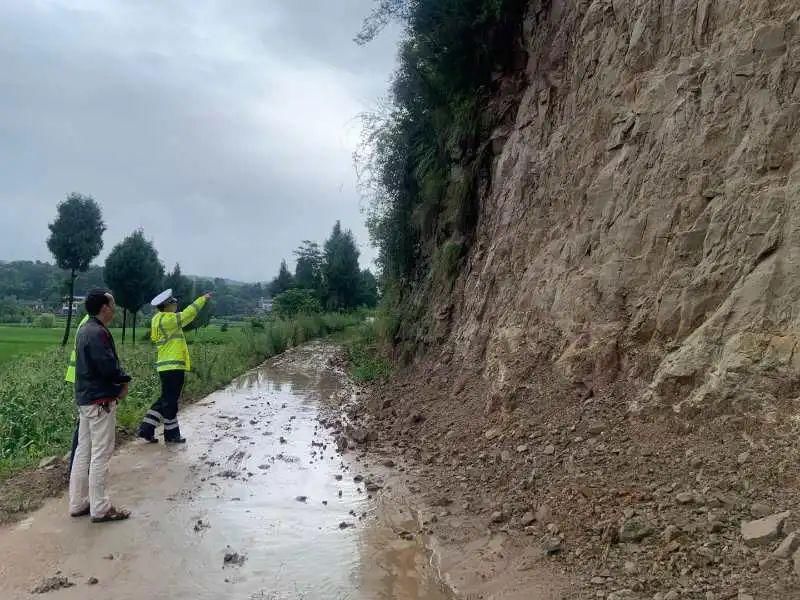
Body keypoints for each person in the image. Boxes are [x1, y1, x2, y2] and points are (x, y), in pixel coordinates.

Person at [69, 289, 131, 522]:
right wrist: (123, 382)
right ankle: (100, 508)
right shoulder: (98, 333)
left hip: (86, 400)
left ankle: (78, 502)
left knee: (83, 452)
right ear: (105, 308)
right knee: (100, 454)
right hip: (100, 401)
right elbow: (107, 366)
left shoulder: (84, 329)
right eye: (113, 305)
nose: (114, 309)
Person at [136, 289, 211, 444]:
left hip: (165, 366)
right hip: (173, 366)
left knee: (166, 398)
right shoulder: (168, 320)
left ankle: (146, 428)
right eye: (174, 302)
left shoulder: (157, 319)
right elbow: (188, 314)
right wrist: (202, 299)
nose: (176, 304)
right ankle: (171, 435)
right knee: (170, 401)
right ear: (167, 305)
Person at [65, 313, 90, 478]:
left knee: (84, 425)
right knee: (84, 426)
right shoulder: (90, 324)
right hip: (84, 379)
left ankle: (77, 467)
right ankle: (76, 468)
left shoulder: (87, 321)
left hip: (80, 377)